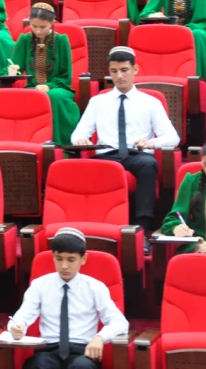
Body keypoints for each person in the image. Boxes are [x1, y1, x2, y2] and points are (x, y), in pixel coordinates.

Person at [72, 46, 180, 254]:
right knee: (84, 168)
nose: (119, 76)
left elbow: (172, 137)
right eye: (114, 71)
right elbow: (77, 134)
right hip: (107, 154)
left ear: (135, 69)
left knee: (149, 165)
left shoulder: (150, 102)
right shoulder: (97, 102)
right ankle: (96, 230)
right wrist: (80, 139)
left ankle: (142, 229)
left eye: (124, 70)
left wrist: (152, 143)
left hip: (137, 154)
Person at [8, 227, 129, 368]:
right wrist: (15, 328)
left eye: (71, 260)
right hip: (48, 349)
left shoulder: (95, 287)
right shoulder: (39, 285)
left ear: (83, 259)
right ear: (53, 256)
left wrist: (100, 338)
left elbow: (120, 323)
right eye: (59, 259)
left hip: (83, 351)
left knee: (81, 367)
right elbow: (21, 317)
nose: (64, 266)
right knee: (37, 364)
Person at [7, 3, 80, 145]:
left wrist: (49, 86)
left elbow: (66, 76)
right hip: (33, 86)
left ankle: (60, 144)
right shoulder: (25, 39)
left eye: (43, 27)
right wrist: (11, 71)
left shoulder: (61, 40)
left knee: (54, 96)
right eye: (34, 26)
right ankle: (29, 142)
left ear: (52, 23)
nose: (38, 31)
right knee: (25, 96)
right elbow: (13, 65)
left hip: (58, 87)